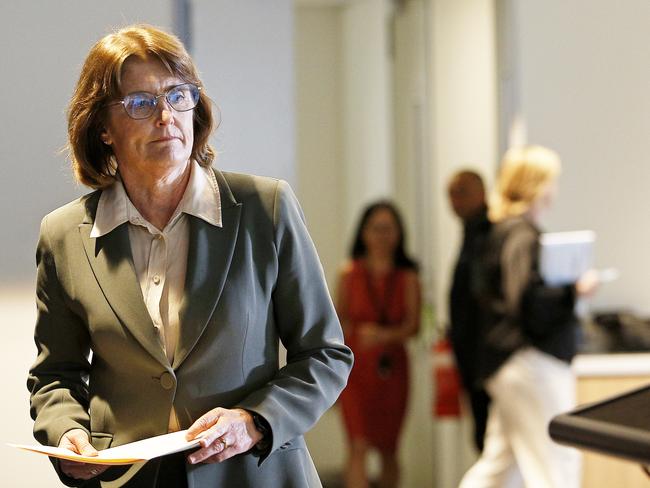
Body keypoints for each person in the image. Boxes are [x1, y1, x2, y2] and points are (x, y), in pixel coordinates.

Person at [27, 24, 353, 488]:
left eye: (179, 95)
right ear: (102, 127)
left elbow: (325, 354)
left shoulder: (266, 207)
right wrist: (68, 433)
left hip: (255, 476)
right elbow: (55, 375)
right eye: (141, 103)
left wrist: (254, 420)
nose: (165, 116)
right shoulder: (63, 235)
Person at [459, 146, 599, 488]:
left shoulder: (500, 232)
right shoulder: (522, 236)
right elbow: (524, 300)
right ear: (537, 184)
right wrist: (573, 291)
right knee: (556, 463)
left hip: (508, 363)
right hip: (531, 361)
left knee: (500, 467)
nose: (555, 188)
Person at [336, 201, 421, 488]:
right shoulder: (349, 274)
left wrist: (384, 336)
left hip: (392, 370)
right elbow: (338, 323)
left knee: (388, 447)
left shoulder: (408, 277)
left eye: (389, 229)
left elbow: (414, 326)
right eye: (376, 228)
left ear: (398, 234)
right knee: (357, 445)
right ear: (364, 233)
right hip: (355, 371)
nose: (382, 236)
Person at [447, 170, 492, 453]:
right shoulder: (471, 233)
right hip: (472, 357)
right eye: (450, 194)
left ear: (482, 192)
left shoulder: (488, 234)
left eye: (461, 192)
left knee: (488, 438)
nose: (454, 201)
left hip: (484, 357)